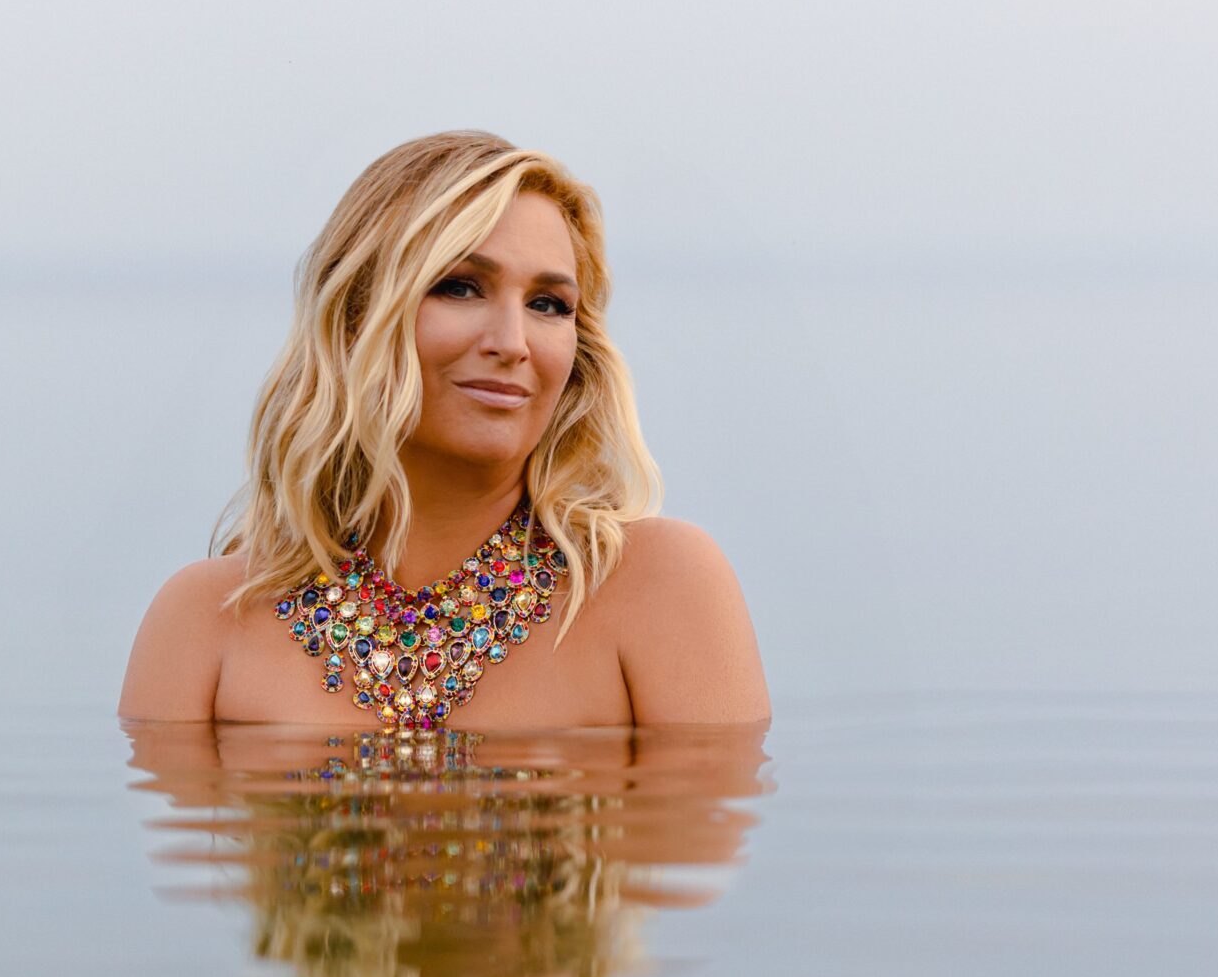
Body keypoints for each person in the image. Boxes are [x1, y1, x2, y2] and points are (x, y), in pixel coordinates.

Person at [118, 130, 767, 728]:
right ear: (356, 317)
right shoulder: (205, 622)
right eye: (460, 287)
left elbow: (712, 849)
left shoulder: (662, 585)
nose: (512, 342)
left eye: (547, 304)